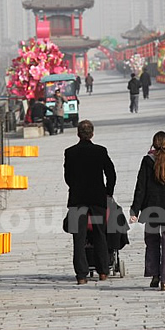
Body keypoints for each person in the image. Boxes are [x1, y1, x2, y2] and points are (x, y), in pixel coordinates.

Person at [130, 131, 165, 291]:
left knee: (152, 243)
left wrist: (135, 210)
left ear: (153, 144)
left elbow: (141, 187)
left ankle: (155, 275)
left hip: (151, 209)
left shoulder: (147, 161)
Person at [64, 120, 117, 284]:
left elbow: (67, 177)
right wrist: (108, 192)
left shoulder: (70, 152)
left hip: (77, 200)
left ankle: (81, 275)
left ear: (78, 134)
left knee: (78, 238)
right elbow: (111, 174)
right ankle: (103, 271)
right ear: (92, 134)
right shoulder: (100, 151)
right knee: (100, 234)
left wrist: (75, 187)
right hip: (97, 199)